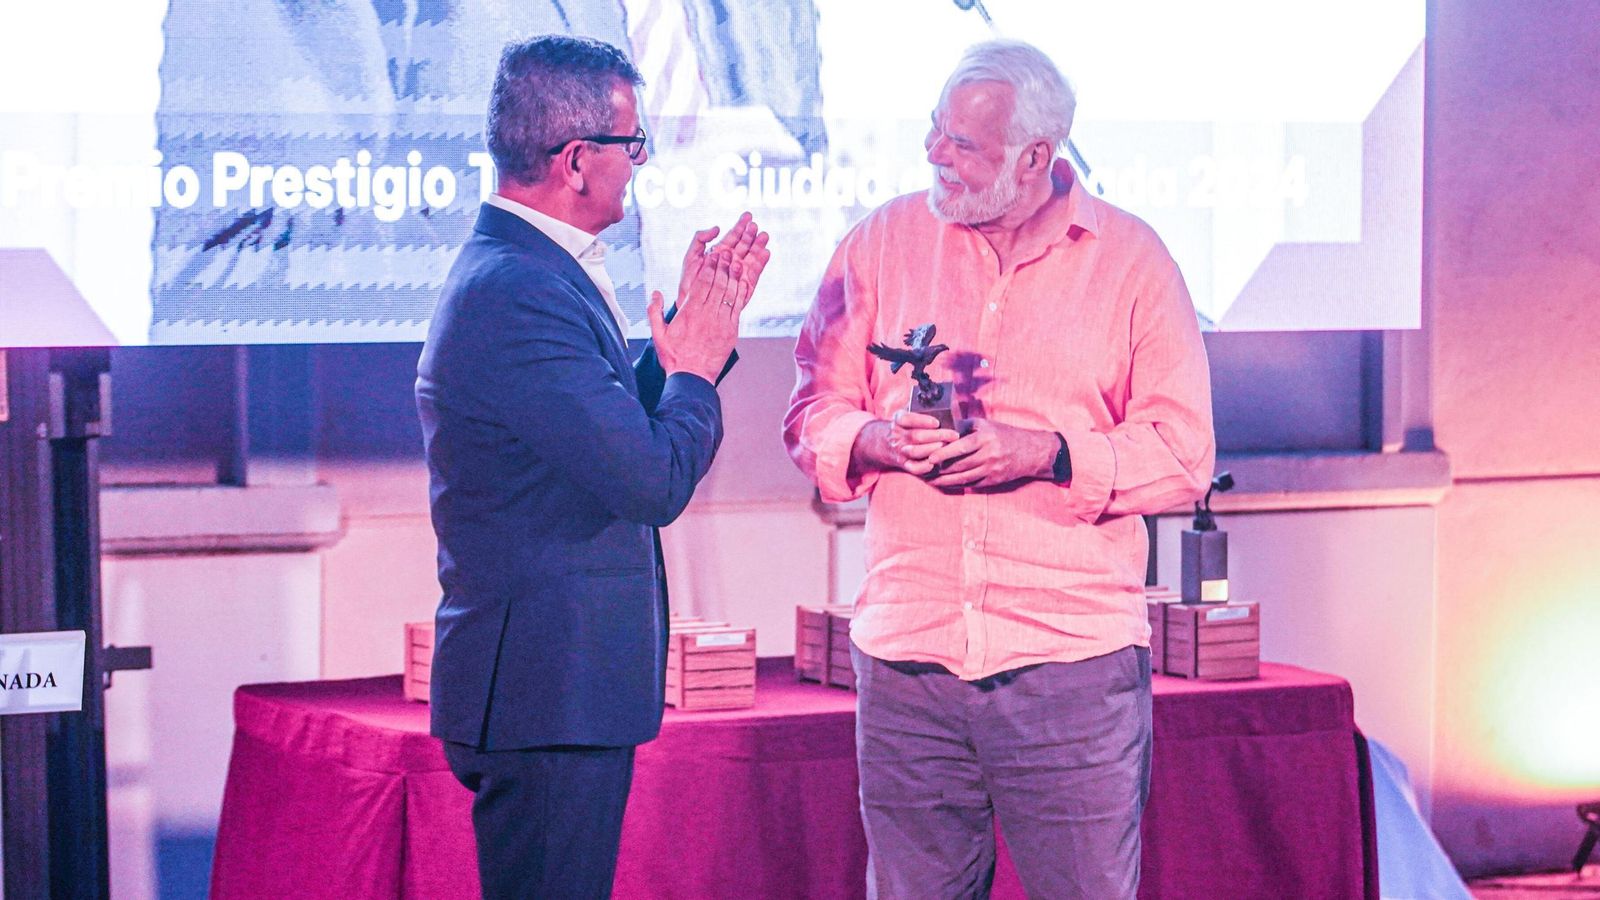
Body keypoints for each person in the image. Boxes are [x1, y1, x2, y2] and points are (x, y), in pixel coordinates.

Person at [783, 39, 1214, 899]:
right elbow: (810, 414)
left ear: (1035, 160)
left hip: (1070, 664)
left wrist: (1049, 454)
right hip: (909, 662)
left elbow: (1184, 456)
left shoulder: (1134, 264)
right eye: (934, 131)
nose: (935, 155)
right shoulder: (876, 246)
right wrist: (875, 440)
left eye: (963, 146)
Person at [416, 34, 769, 899]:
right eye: (633, 144)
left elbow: (594, 433)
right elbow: (650, 480)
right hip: (545, 697)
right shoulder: (519, 288)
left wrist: (681, 349)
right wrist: (692, 369)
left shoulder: (533, 271)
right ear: (576, 160)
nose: (642, 163)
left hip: (554, 692)